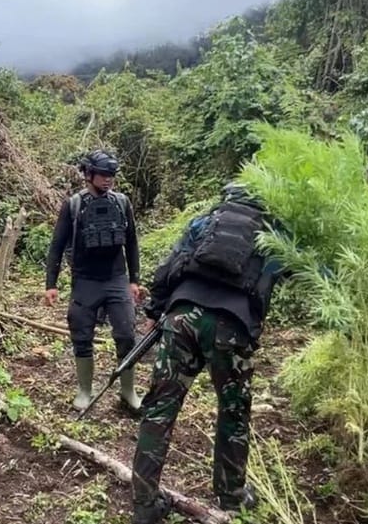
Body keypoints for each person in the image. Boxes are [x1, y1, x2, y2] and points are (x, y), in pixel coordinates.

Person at [130, 183, 285, 522]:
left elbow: (167, 268)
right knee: (233, 413)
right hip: (231, 327)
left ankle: (143, 505)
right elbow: (307, 274)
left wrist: (158, 312)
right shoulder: (274, 233)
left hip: (181, 318)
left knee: (159, 408)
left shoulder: (205, 222)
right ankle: (232, 497)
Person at [43, 149, 141, 413]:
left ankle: (128, 391)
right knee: (81, 335)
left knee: (126, 334)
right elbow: (57, 245)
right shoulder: (73, 205)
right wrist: (50, 284)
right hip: (85, 280)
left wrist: (135, 280)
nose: (108, 180)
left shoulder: (122, 203)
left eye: (111, 175)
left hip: (116, 279)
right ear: (88, 174)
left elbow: (131, 242)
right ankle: (85, 390)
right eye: (102, 174)